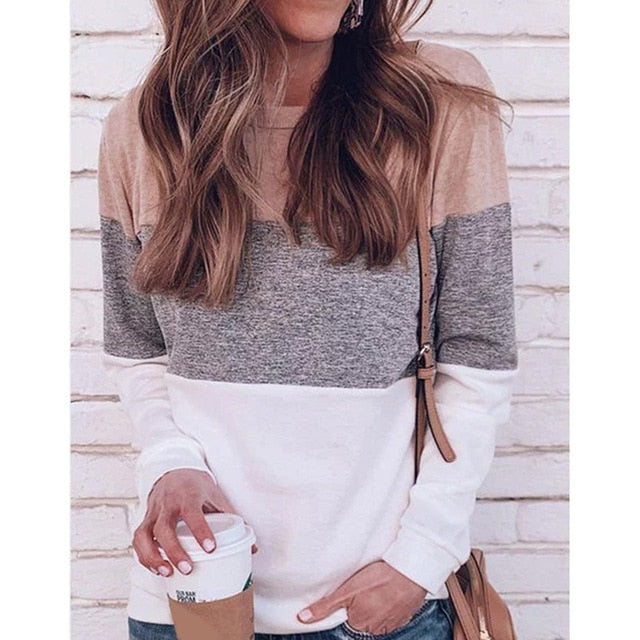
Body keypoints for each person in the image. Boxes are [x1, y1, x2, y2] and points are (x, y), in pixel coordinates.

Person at [97, 1, 518, 638]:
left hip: (382, 608)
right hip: (189, 601)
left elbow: (477, 358)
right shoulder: (145, 128)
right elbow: (138, 351)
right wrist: (168, 461)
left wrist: (421, 558)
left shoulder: (436, 109)